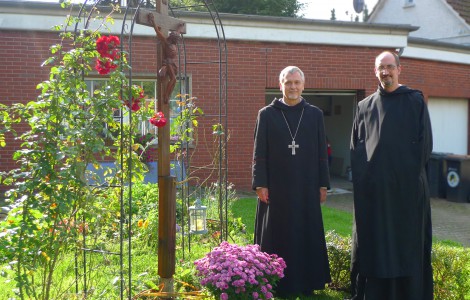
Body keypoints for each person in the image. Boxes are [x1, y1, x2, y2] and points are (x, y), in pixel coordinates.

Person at [348, 51, 433, 300]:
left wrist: (404, 182)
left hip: (406, 194)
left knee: (406, 246)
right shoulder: (364, 107)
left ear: (399, 69)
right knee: (374, 245)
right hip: (374, 195)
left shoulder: (415, 101)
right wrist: (367, 185)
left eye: (389, 67)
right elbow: (356, 149)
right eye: (380, 68)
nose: (385, 72)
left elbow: (424, 146)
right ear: (375, 71)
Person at [252, 66, 331, 298]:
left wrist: (323, 184)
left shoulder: (314, 114)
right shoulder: (266, 114)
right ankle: (274, 282)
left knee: (305, 232)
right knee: (276, 233)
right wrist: (260, 183)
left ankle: (307, 282)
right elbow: (259, 153)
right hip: (276, 188)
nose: (293, 87)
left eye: (297, 82)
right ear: (280, 85)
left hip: (306, 187)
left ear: (303, 85)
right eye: (288, 82)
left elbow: (321, 153)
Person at [148, 13, 184, 104]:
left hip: (172, 64)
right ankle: (166, 95)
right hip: (168, 63)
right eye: (176, 39)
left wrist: (180, 27)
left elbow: (178, 33)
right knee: (174, 79)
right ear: (173, 38)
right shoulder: (167, 43)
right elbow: (158, 32)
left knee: (174, 80)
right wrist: (153, 21)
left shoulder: (174, 43)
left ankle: (168, 94)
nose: (177, 40)